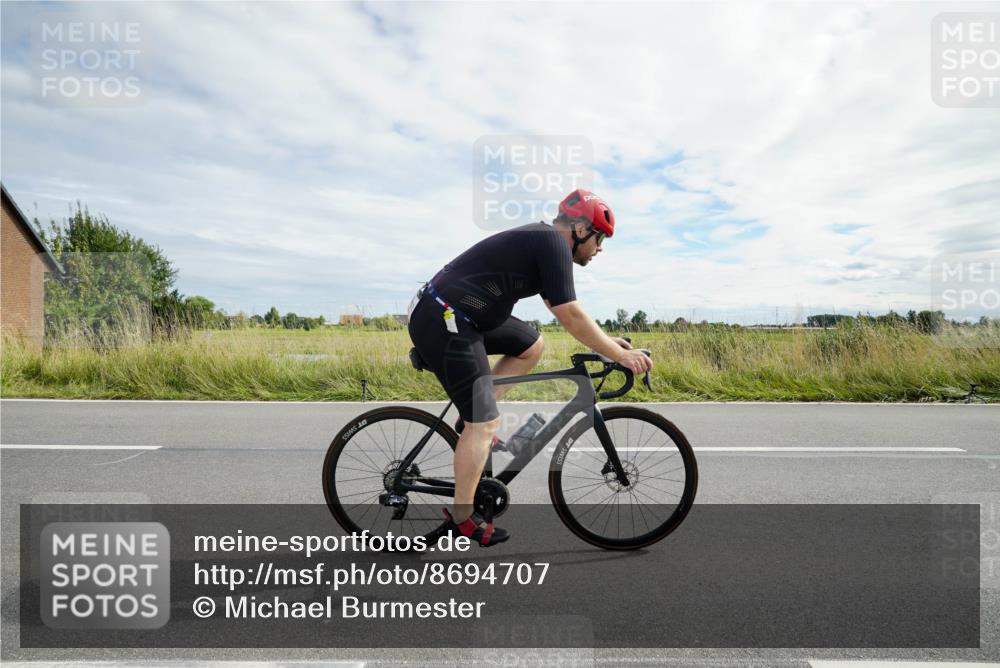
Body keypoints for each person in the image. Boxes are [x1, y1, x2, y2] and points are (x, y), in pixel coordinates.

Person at [406, 189, 653, 546]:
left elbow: (565, 307)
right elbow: (570, 314)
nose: (600, 249)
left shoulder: (547, 245)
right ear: (580, 229)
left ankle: (471, 421)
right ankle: (462, 516)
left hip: (466, 316)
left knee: (531, 345)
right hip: (444, 316)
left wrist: (608, 344)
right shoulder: (551, 242)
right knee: (484, 422)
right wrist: (618, 354)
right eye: (599, 239)